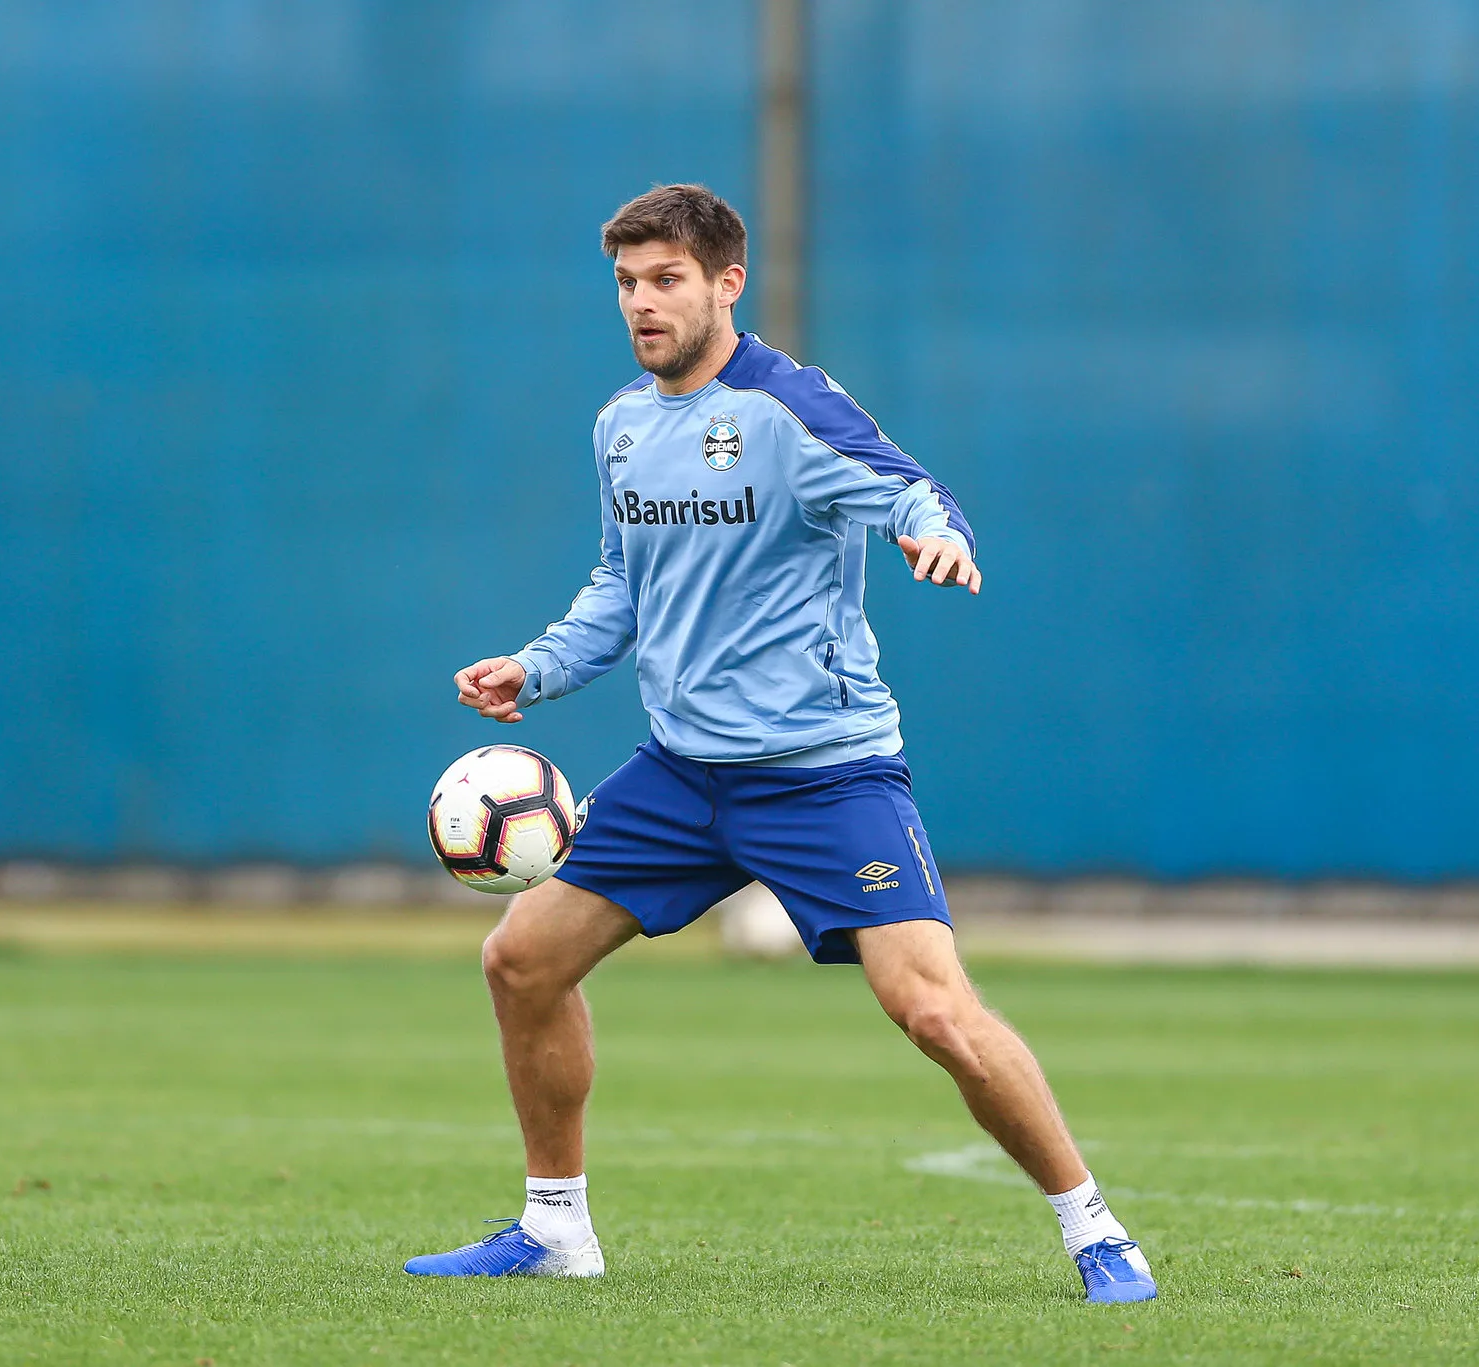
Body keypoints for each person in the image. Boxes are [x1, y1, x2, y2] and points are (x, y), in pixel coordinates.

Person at [406, 185, 1154, 1304]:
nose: (641, 304)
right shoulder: (619, 424)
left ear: (724, 283)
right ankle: (553, 1224)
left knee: (935, 1012)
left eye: (664, 280)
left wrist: (934, 537)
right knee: (520, 958)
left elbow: (908, 490)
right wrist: (539, 665)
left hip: (823, 775)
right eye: (624, 283)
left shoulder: (787, 408)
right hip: (680, 772)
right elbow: (621, 581)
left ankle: (1096, 1232)